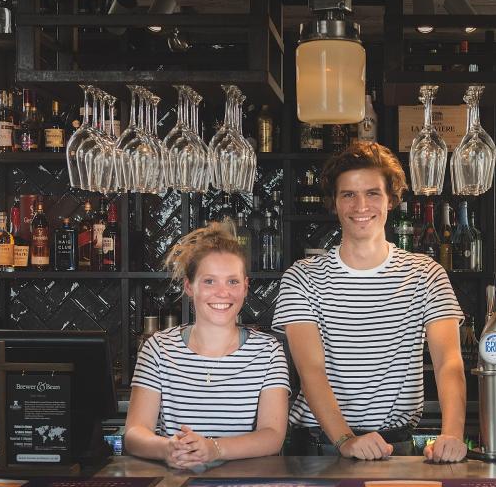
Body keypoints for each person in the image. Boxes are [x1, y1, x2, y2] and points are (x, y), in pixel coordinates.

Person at [273, 141, 468, 462]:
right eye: (348, 194)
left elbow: (448, 363)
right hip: (316, 451)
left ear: (391, 200)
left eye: (373, 193)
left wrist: (452, 434)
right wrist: (345, 439)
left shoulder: (426, 274)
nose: (360, 205)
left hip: (396, 449)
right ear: (334, 203)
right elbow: (311, 369)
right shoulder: (303, 277)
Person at [125, 220, 290, 468]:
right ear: (189, 287)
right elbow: (135, 433)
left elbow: (272, 436)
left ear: (245, 287)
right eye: (209, 281)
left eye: (232, 281)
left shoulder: (267, 352)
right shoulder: (157, 349)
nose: (222, 293)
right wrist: (167, 448)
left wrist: (213, 449)